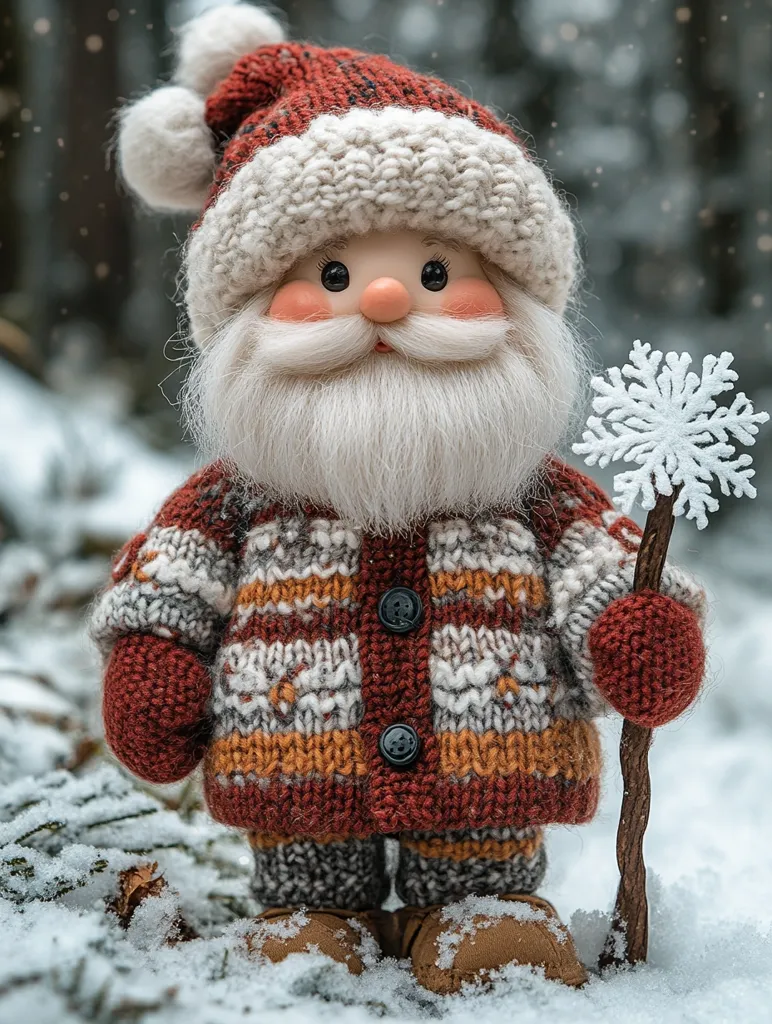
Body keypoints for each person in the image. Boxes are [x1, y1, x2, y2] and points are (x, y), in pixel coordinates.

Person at [92, 3, 706, 993]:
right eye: (331, 274)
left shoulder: (531, 494)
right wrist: (156, 659)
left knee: (481, 879)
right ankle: (308, 915)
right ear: (247, 313)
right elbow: (169, 588)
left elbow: (607, 573)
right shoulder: (237, 501)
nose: (383, 302)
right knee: (306, 892)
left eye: (432, 272)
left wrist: (635, 628)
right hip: (297, 776)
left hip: (488, 773)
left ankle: (482, 912)